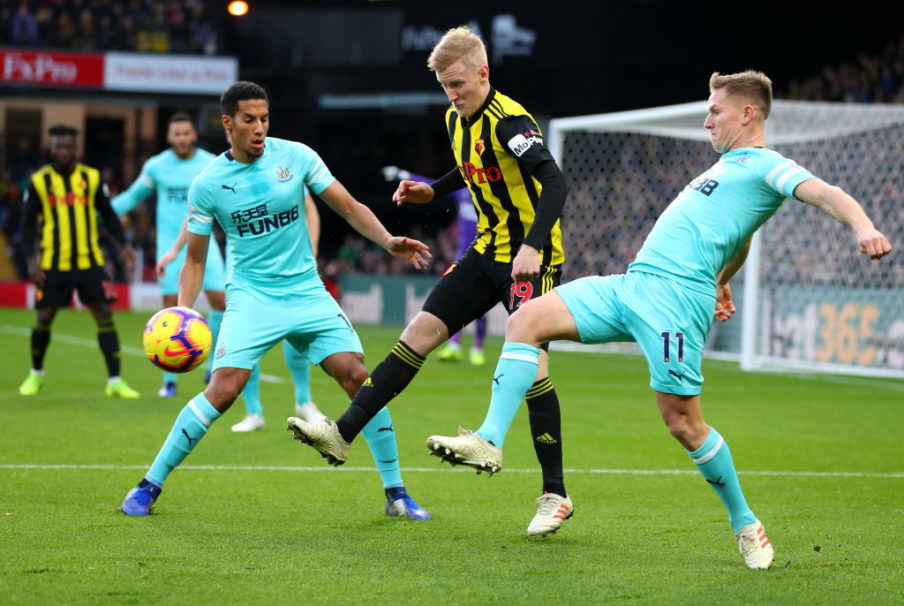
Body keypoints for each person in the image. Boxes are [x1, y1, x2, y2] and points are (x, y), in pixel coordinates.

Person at [426, 70, 893, 569]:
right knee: (526, 320)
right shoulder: (727, 167)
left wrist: (862, 226)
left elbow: (827, 192)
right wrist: (724, 277)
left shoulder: (768, 165)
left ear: (747, 113)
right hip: (633, 285)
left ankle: (745, 524)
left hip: (674, 303)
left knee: (683, 423)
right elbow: (741, 235)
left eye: (716, 110)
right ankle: (490, 441)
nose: (707, 118)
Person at [288, 26, 574, 537]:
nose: (453, 94)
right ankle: (341, 434)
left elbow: (555, 182)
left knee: (531, 368)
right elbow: (475, 168)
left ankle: (554, 495)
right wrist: (432, 189)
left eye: (460, 84)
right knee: (417, 334)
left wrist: (531, 245)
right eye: (445, 86)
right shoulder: (454, 117)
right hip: (486, 252)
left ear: (484, 73)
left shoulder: (512, 121)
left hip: (531, 260)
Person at [120, 81, 433, 520]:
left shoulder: (297, 156)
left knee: (360, 377)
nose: (259, 128)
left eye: (264, 119)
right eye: (249, 120)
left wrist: (386, 240)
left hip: (307, 291)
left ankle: (396, 493)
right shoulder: (208, 184)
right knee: (223, 389)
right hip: (252, 297)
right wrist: (183, 313)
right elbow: (195, 259)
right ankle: (148, 485)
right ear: (228, 123)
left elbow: (347, 205)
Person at [156, 195, 328, 432]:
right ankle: (254, 412)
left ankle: (304, 400)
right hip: (243, 275)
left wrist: (312, 255)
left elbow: (310, 209)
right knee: (244, 343)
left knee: (298, 331)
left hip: (288, 267)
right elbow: (195, 216)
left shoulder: (284, 165)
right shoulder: (220, 178)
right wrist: (176, 250)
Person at [112, 112, 229, 398]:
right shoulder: (156, 167)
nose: (181, 139)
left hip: (205, 243)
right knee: (170, 310)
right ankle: (169, 380)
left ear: (194, 135)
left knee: (222, 304)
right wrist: (100, 213)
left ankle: (211, 364)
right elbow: (132, 197)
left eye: (186, 133)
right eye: (176, 134)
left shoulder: (210, 163)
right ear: (169, 137)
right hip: (169, 245)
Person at [18, 125, 139, 398]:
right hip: (52, 261)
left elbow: (108, 215)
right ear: (51, 148)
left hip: (89, 261)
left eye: (69, 146)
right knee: (44, 317)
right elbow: (26, 225)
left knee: (104, 316)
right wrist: (31, 260)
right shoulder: (39, 181)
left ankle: (115, 381)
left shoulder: (92, 178)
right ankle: (36, 375)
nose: (64, 151)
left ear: (77, 148)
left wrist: (124, 246)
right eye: (59, 146)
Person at [382, 165, 488, 366]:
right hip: (462, 255)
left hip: (486, 253)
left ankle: (477, 348)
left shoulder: (489, 194)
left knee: (481, 305)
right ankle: (455, 346)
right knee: (457, 300)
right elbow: (432, 184)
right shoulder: (463, 192)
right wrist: (404, 174)